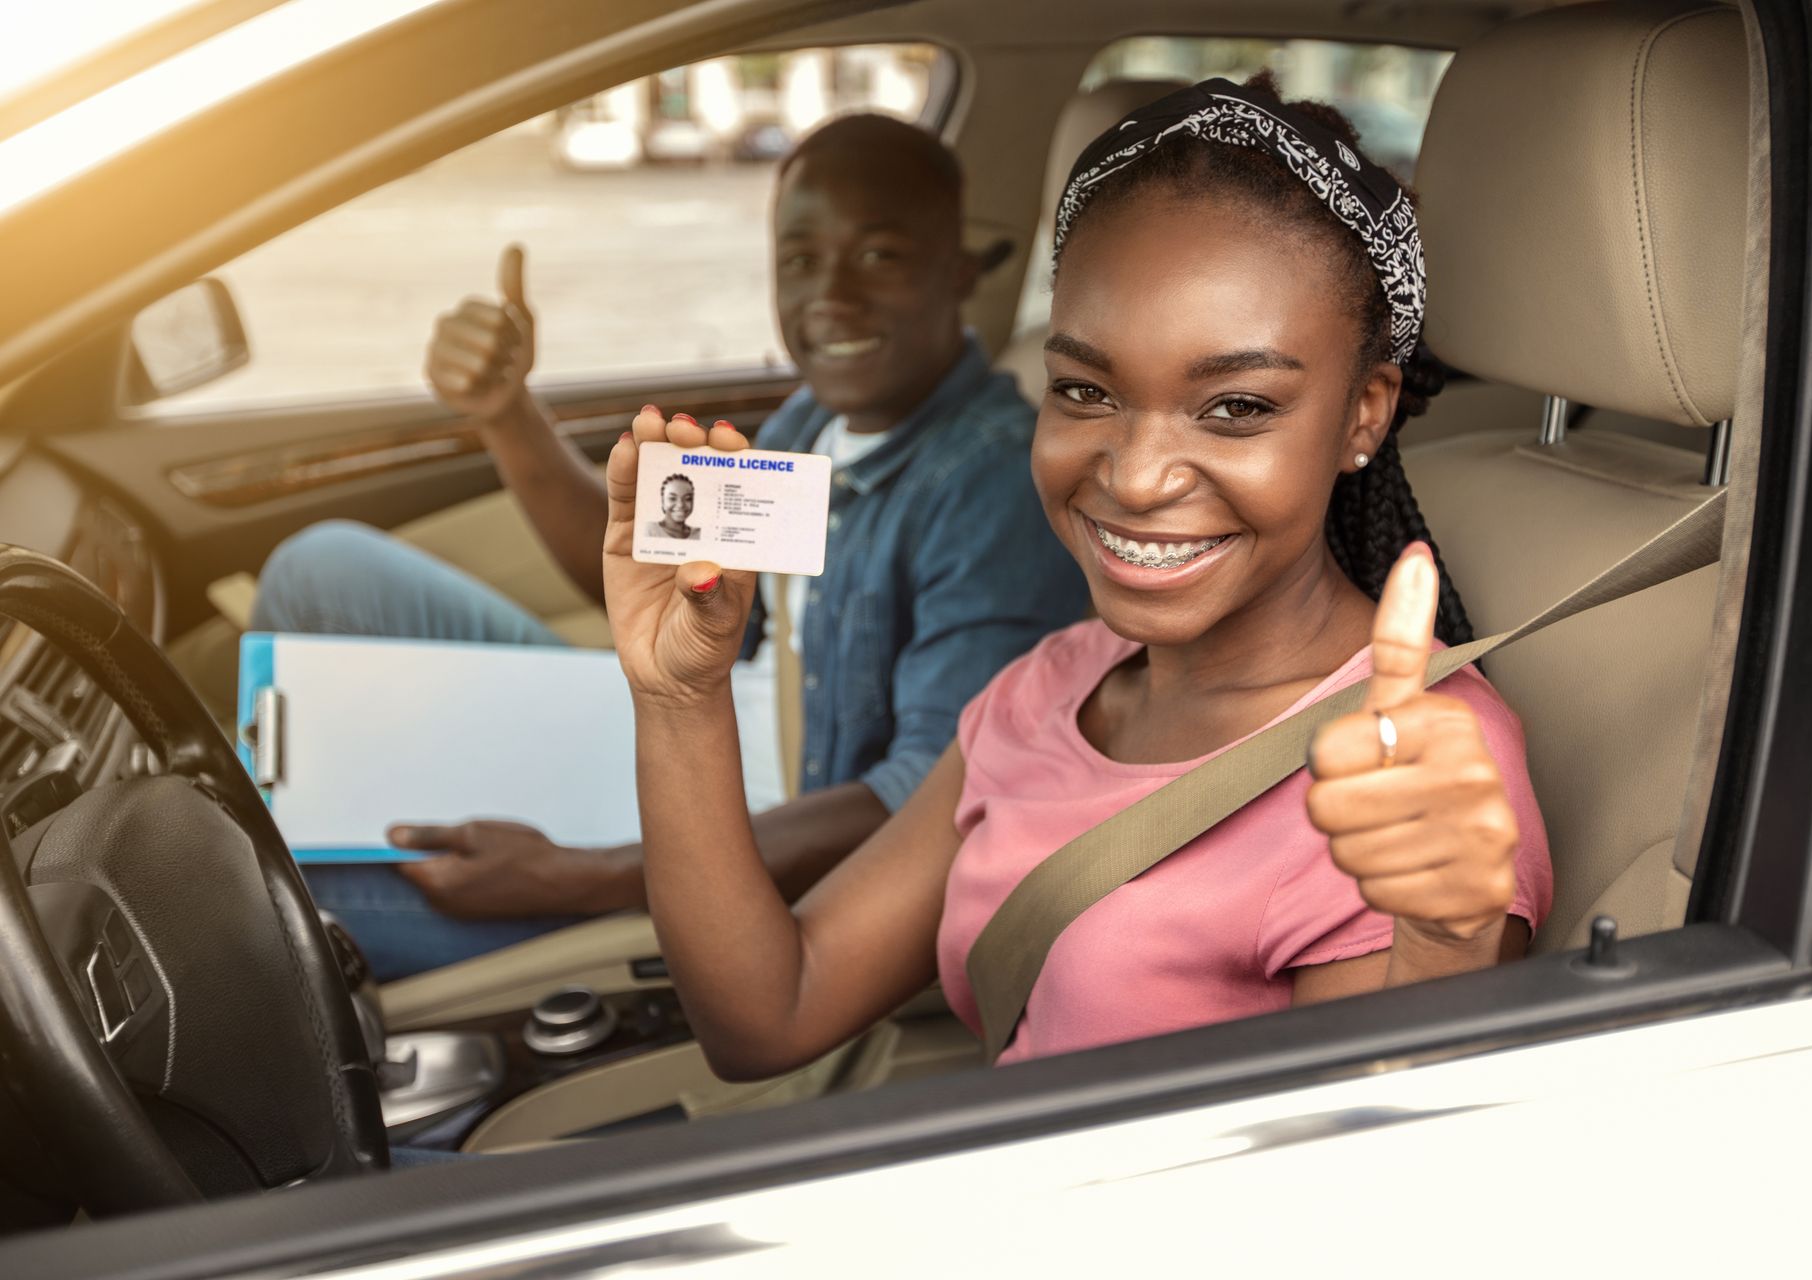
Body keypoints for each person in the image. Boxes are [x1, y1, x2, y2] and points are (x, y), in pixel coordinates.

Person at [603, 75, 1552, 1075]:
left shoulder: (1413, 769)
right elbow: (768, 1014)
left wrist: (1448, 950)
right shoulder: (1057, 681)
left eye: (1235, 406)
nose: (1135, 477)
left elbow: (1349, 1194)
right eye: (1084, 390)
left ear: (1364, 411)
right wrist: (679, 695)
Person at [251, 114, 1088, 979]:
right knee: (319, 571)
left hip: (738, 848)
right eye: (800, 260)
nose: (831, 293)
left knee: (272, 895)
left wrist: (574, 876)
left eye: (878, 256)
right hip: (675, 729)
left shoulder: (990, 488)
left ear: (955, 274)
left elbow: (927, 801)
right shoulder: (817, 421)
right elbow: (643, 584)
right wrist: (505, 412)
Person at [644, 474, 699, 540]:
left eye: (687, 498)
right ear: (662, 502)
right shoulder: (649, 530)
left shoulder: (698, 534)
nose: (680, 505)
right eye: (672, 498)